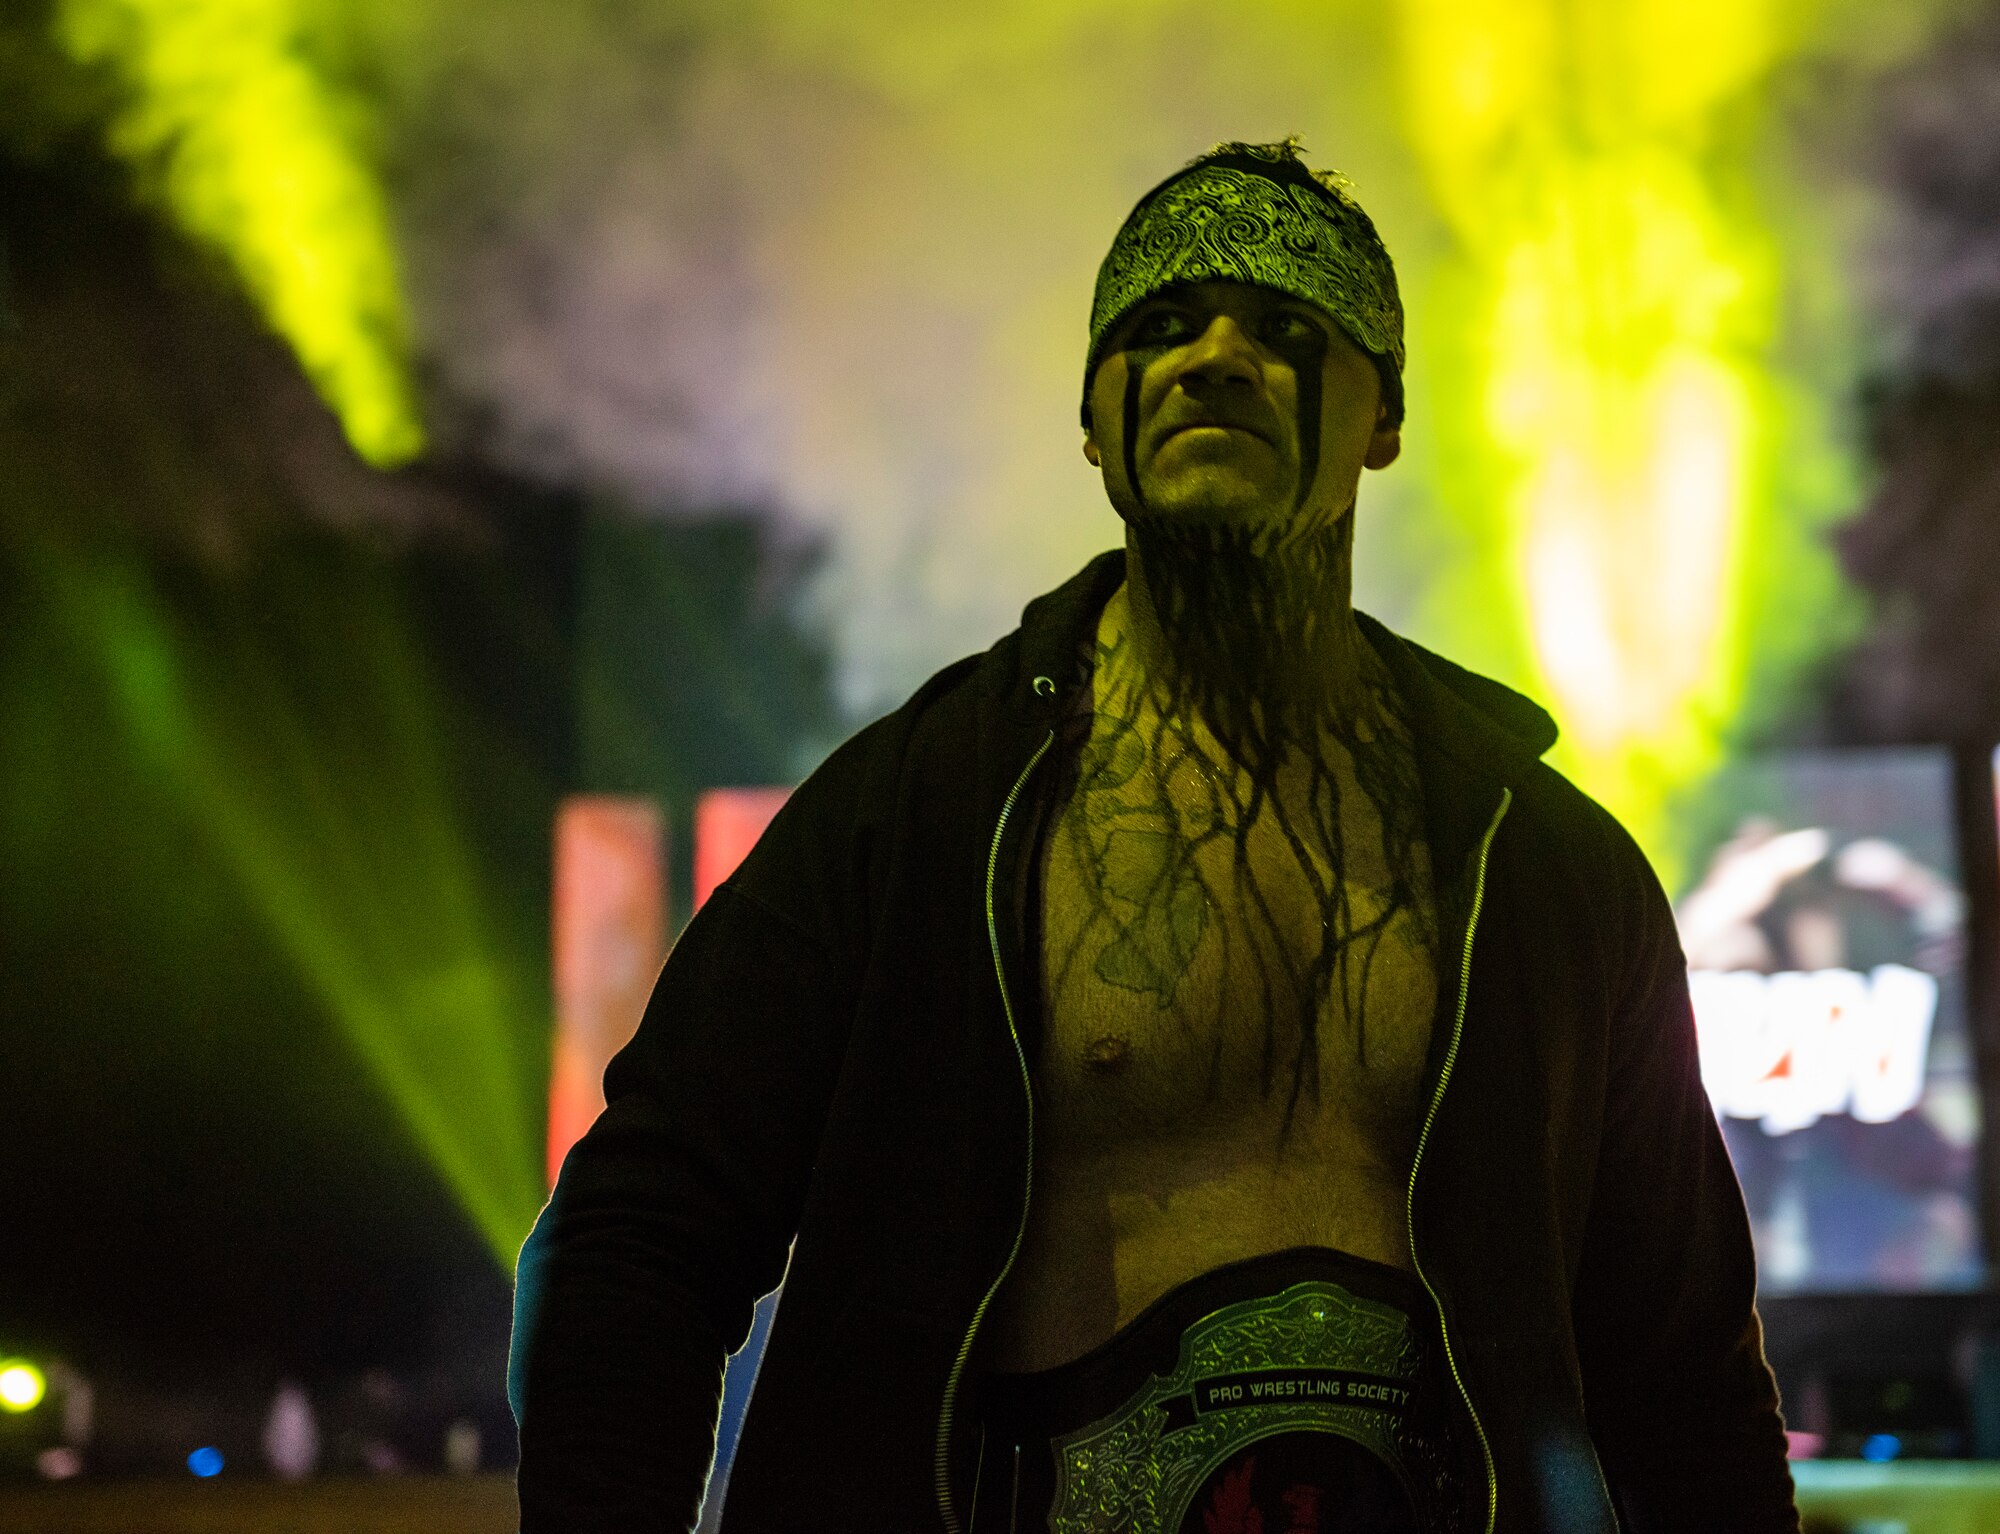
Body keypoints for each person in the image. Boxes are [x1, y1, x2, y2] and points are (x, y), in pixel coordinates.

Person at [510, 139, 1799, 1534]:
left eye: (1288, 328)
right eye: (1161, 327)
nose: (1216, 357)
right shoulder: (925, 808)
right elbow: (638, 1231)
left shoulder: (1545, 865)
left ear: (1382, 417)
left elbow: (1684, 1374)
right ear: (1096, 418)